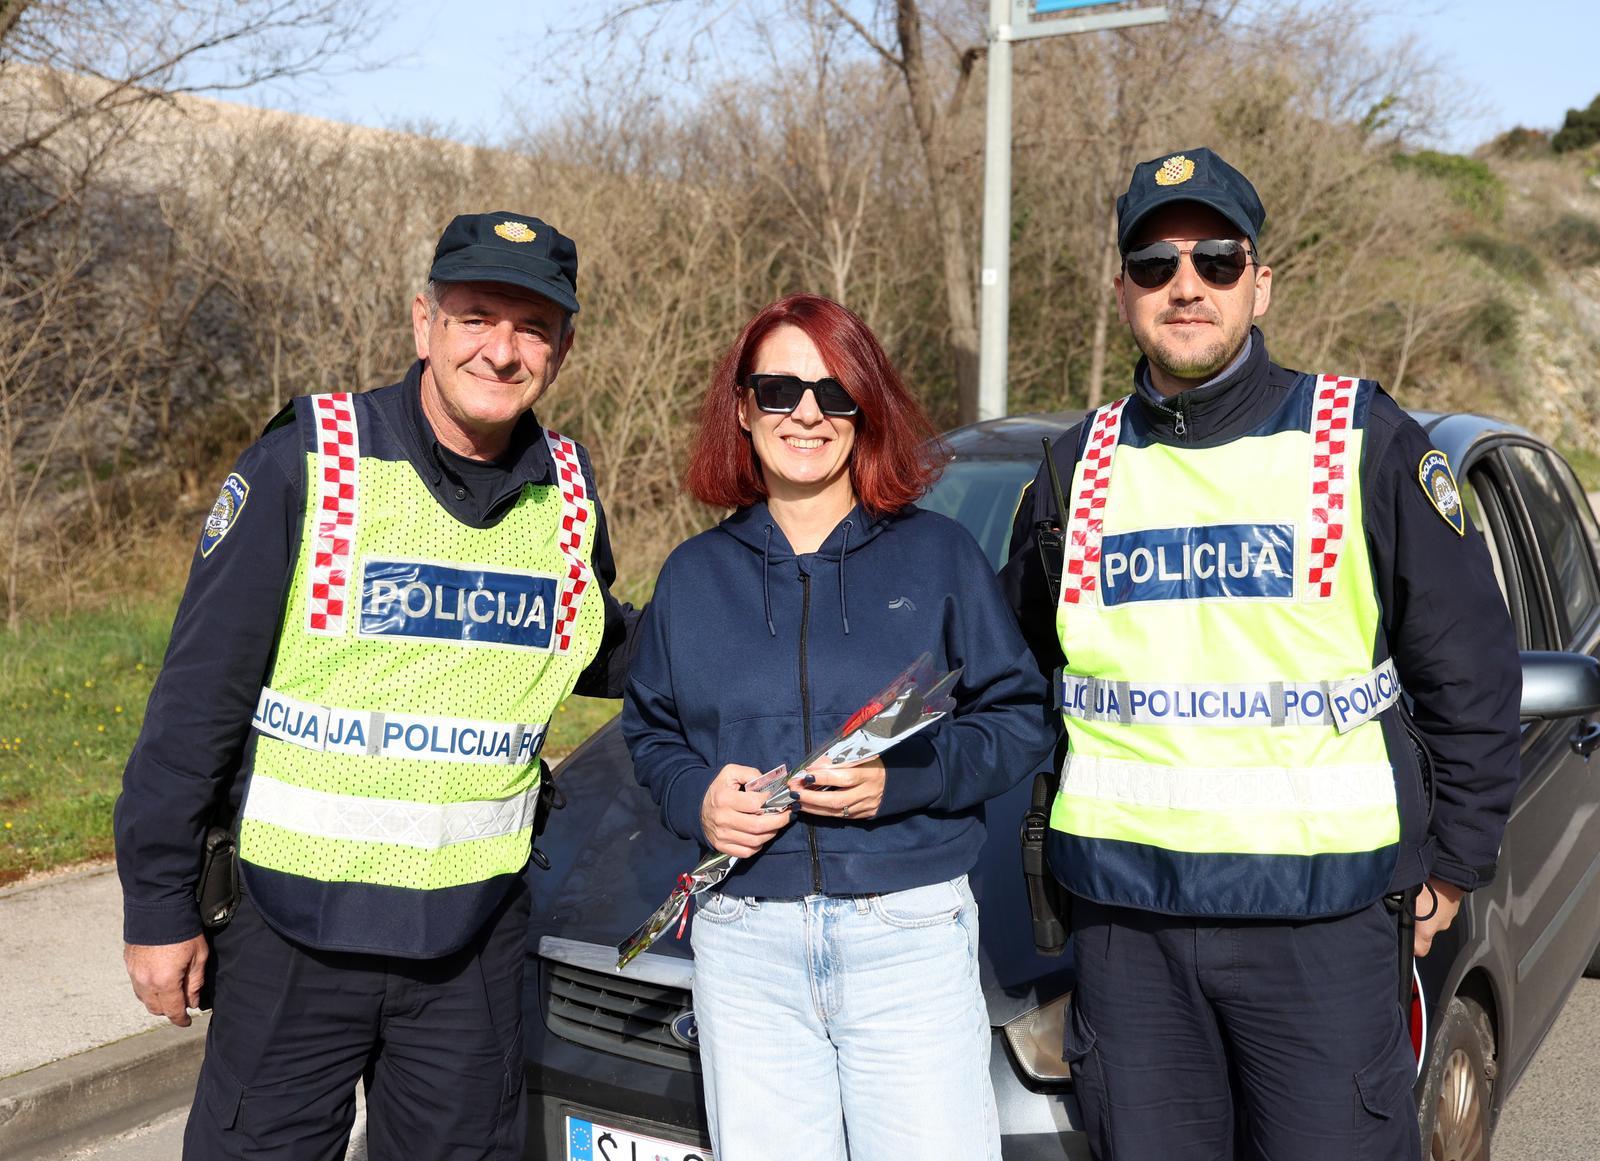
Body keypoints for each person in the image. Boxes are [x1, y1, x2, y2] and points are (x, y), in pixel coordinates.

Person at [1002, 148, 1521, 1160]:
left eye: (1216, 259)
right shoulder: (1077, 466)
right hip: (1127, 930)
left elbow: (1469, 665)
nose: (1183, 284)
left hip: (1320, 933)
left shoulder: (1358, 438)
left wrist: (1455, 864)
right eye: (1153, 265)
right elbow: (1010, 665)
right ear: (1122, 292)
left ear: (1260, 281)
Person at [115, 211, 635, 1160]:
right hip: (290, 937)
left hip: (471, 949)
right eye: (476, 315)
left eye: (531, 327)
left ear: (563, 347)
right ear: (422, 323)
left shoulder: (566, 488)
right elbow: (196, 704)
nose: (501, 349)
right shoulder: (312, 459)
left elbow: (600, 644)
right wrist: (157, 906)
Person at [622, 293, 1056, 1161]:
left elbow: (1017, 719)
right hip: (746, 944)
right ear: (742, 408)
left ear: (867, 409)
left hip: (908, 936)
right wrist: (697, 797)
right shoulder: (693, 574)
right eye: (780, 390)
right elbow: (651, 733)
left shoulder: (938, 557)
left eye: (836, 391)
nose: (808, 413)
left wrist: (910, 784)